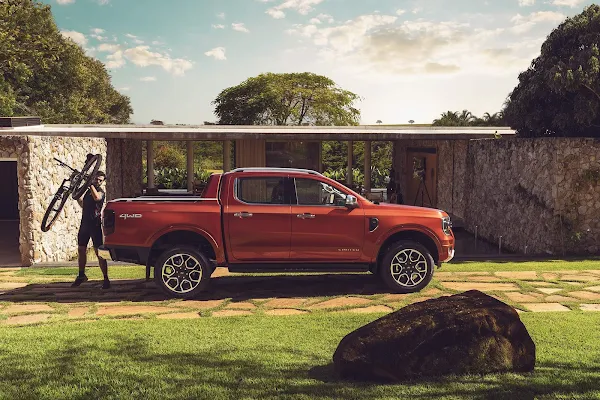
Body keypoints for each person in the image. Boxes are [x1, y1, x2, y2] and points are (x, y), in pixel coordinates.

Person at [71, 168, 110, 289]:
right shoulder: (88, 192)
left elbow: (97, 198)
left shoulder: (101, 192)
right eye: (96, 179)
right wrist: (77, 196)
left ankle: (106, 278)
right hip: (85, 224)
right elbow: (83, 204)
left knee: (100, 252)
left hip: (95, 225)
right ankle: (81, 275)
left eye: (100, 180)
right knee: (81, 249)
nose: (98, 181)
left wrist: (89, 184)